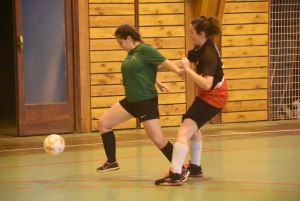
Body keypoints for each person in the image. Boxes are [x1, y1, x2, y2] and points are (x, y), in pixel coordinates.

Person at [96, 24, 187, 177]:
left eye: (120, 42)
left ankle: (181, 168)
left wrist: (178, 70)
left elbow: (164, 62)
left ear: (129, 38)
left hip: (145, 101)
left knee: (158, 140)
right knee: (103, 123)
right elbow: (143, 70)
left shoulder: (145, 49)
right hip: (131, 101)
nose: (120, 46)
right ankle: (112, 161)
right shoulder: (131, 53)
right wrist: (158, 82)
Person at [155, 16, 228, 186]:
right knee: (193, 126)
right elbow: (184, 62)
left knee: (184, 132)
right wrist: (160, 67)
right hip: (207, 96)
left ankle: (175, 174)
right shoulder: (200, 47)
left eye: (192, 32)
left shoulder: (209, 53)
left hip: (213, 97)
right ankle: (195, 167)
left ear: (202, 33)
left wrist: (188, 71)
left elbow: (207, 83)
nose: (190, 35)